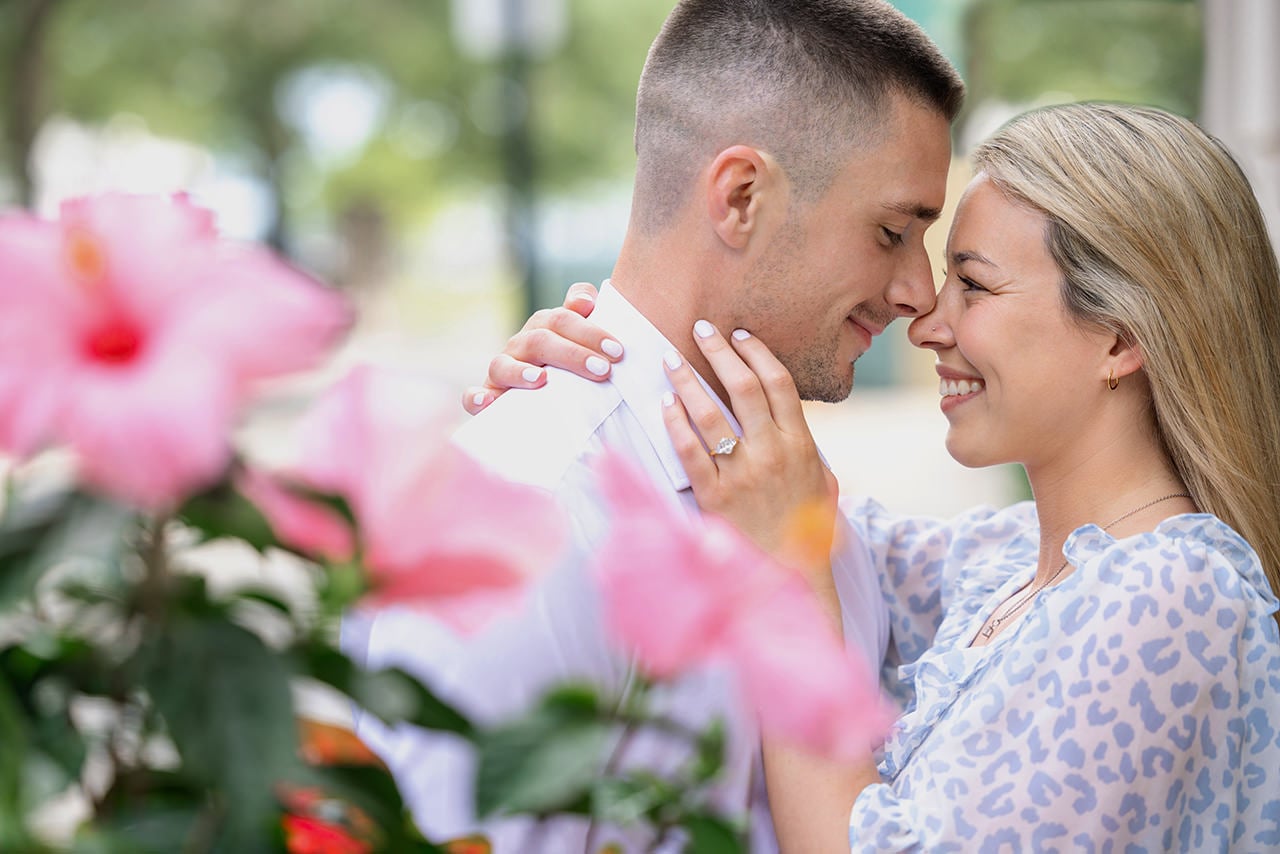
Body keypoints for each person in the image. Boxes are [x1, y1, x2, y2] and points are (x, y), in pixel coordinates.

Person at [474, 102, 1280, 850]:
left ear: (1117, 338)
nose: (927, 320)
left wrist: (787, 579)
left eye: (974, 283)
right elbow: (782, 504)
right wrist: (608, 354)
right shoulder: (1009, 567)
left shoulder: (1170, 594)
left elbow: (796, 538)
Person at [347, 1, 964, 851]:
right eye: (892, 232)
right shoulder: (528, 513)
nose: (919, 293)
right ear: (741, 196)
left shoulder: (800, 507)